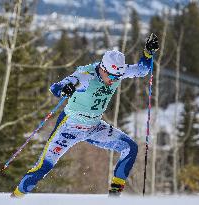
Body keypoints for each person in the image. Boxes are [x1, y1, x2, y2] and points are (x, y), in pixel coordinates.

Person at [11, 33, 159, 197]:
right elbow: (55, 88)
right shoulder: (85, 76)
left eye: (117, 77)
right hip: (69, 127)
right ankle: (14, 198)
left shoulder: (116, 72)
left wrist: (148, 53)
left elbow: (143, 70)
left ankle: (114, 198)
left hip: (94, 127)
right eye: (111, 76)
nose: (113, 80)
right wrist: (64, 90)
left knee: (130, 148)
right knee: (43, 167)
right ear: (102, 68)